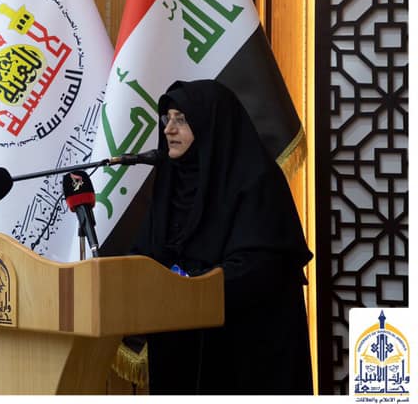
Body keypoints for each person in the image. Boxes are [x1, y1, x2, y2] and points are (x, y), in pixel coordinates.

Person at [131, 79, 313, 394]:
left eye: (181, 119)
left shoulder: (257, 180)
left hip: (245, 348)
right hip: (180, 342)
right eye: (167, 119)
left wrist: (193, 285)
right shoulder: (170, 182)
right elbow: (146, 253)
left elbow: (261, 265)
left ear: (211, 123)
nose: (168, 129)